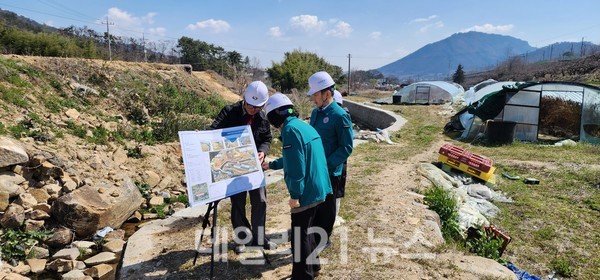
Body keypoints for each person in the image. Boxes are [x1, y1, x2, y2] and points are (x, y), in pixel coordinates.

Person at [262, 93, 331, 279]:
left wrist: (295, 195)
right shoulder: (302, 126)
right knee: (308, 232)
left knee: (300, 237)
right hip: (320, 186)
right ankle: (314, 267)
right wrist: (272, 164)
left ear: (274, 117)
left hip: (307, 191)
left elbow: (296, 168)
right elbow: (296, 156)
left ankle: (302, 276)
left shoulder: (290, 131)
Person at [209, 80, 276, 253]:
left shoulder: (262, 118)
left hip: (254, 166)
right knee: (238, 202)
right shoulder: (229, 112)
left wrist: (262, 151)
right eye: (250, 106)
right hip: (233, 165)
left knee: (260, 201)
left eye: (257, 107)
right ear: (244, 99)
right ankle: (242, 239)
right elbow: (212, 131)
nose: (253, 110)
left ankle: (260, 238)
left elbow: (267, 139)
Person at [306, 72, 353, 249]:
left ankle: (324, 239)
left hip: (330, 170)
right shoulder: (315, 113)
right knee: (315, 204)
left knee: (327, 207)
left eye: (316, 95)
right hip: (315, 167)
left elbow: (346, 147)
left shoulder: (340, 115)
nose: (313, 99)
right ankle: (315, 235)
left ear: (327, 93)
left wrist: (327, 164)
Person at [332, 90, 349, 225]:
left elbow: (346, 146)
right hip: (328, 163)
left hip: (338, 163)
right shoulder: (319, 114)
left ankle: (334, 217)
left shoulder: (343, 116)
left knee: (337, 190)